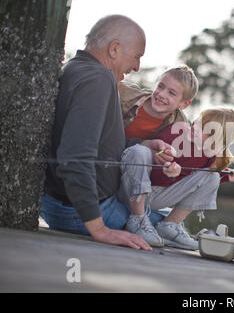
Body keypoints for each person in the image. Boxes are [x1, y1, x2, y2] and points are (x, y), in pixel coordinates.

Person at [40, 15, 173, 251]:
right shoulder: (98, 79)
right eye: (137, 56)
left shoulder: (76, 67)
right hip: (82, 212)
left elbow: (99, 141)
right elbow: (74, 158)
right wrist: (99, 230)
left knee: (163, 216)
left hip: (67, 206)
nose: (137, 67)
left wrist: (142, 143)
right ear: (114, 49)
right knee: (167, 225)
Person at [119, 100, 234, 250]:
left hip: (157, 197)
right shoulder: (177, 133)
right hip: (132, 189)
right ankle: (137, 220)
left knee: (213, 176)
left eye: (204, 128)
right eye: (198, 121)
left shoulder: (210, 155)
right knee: (139, 151)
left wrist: (227, 176)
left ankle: (169, 225)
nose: (195, 127)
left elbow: (203, 179)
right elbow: (154, 168)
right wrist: (168, 172)